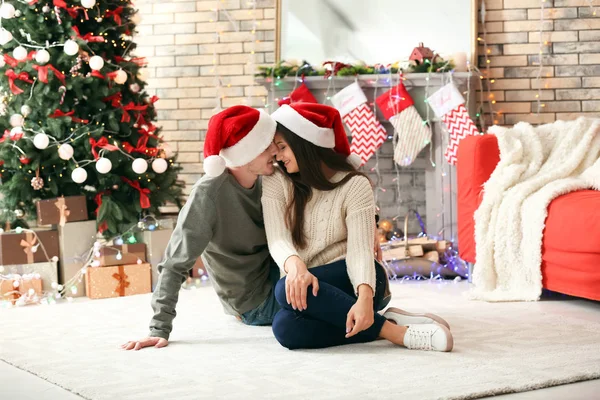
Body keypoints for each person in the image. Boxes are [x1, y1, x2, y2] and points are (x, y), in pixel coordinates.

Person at [262, 103, 454, 351]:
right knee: (286, 328)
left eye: (283, 147)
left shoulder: (354, 185)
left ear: (304, 143)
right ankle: (389, 327)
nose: (277, 156)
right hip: (309, 286)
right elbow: (277, 238)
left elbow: (360, 251)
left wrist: (364, 296)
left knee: (282, 289)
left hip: (357, 277)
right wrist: (296, 266)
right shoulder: (276, 181)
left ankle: (396, 334)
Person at [122, 105, 283, 350]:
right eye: (265, 145)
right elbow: (174, 263)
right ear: (245, 154)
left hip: (275, 275)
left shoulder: (267, 179)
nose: (275, 150)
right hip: (254, 302)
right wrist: (159, 328)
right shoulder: (209, 195)